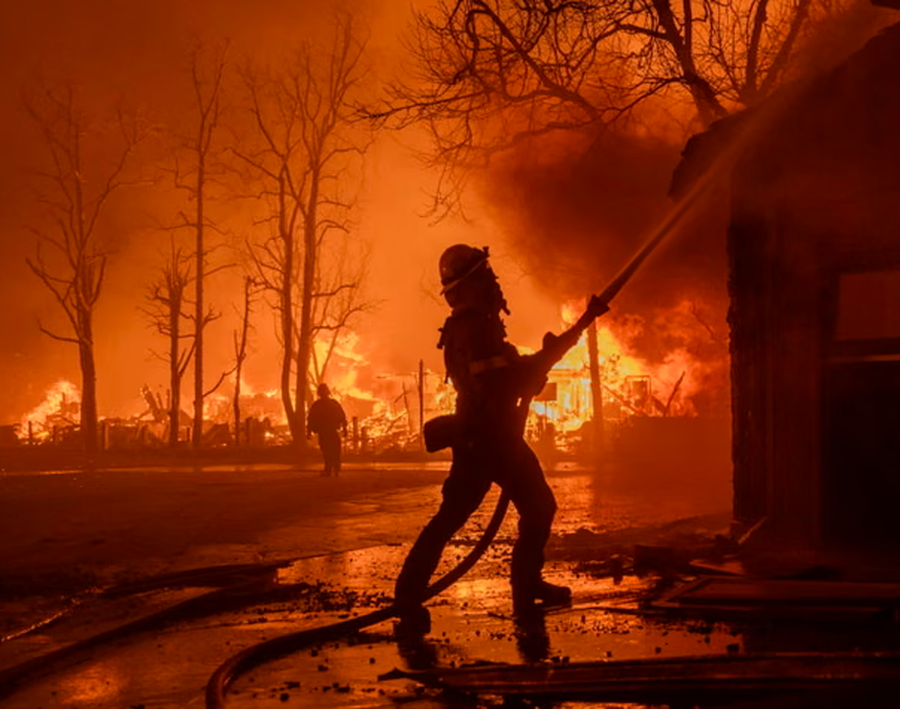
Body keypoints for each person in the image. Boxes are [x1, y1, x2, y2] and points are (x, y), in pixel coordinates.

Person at [394, 245, 608, 630]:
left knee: (467, 515)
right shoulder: (476, 326)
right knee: (530, 508)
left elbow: (509, 371)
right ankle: (518, 587)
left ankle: (412, 594)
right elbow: (498, 381)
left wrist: (562, 342)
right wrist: (539, 365)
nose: (494, 282)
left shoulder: (470, 324)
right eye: (486, 276)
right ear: (473, 283)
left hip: (484, 435)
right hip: (490, 438)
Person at [307, 383, 347, 476]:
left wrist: (309, 432)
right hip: (331, 431)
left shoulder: (317, 405)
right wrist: (344, 429)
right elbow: (342, 417)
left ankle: (329, 469)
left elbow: (311, 419)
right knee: (334, 450)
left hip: (324, 432)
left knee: (327, 451)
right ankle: (335, 468)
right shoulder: (333, 403)